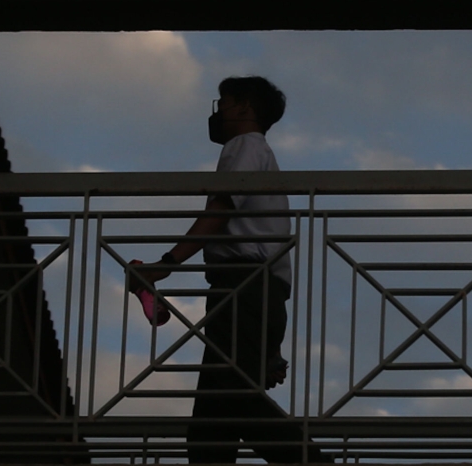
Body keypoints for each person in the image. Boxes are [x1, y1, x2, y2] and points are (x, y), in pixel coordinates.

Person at [134, 76, 327, 464]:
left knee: (227, 408)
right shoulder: (262, 157)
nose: (217, 110)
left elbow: (220, 212)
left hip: (242, 289)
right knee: (212, 424)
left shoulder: (245, 146)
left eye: (223, 102)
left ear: (244, 107)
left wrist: (166, 264)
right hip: (257, 294)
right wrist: (270, 348)